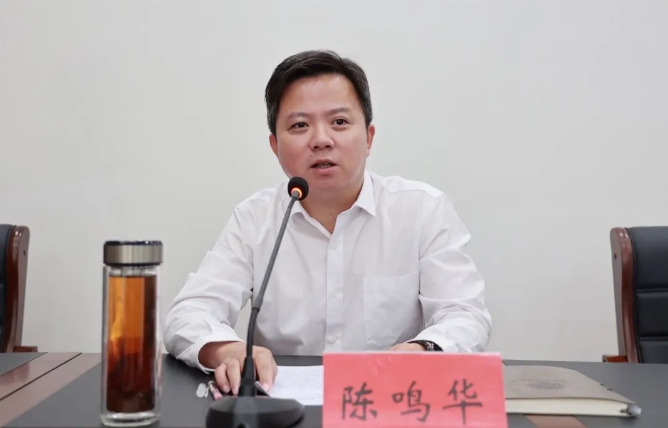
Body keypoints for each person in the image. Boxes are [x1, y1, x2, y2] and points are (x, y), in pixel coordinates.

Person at [163, 49, 492, 395]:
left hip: (388, 401)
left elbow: (466, 314)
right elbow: (189, 312)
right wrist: (227, 350)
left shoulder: (422, 210)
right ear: (275, 146)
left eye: (339, 122)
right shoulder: (255, 219)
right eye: (300, 125)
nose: (321, 140)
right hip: (283, 410)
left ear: (369, 137)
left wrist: (423, 350)